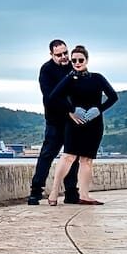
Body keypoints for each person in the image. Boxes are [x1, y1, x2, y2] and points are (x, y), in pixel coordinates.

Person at [46, 45, 118, 206]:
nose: (77, 63)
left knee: (87, 160)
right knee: (68, 156)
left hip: (94, 124)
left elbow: (113, 97)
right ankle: (54, 190)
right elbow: (53, 97)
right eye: (74, 60)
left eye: (80, 60)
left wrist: (99, 109)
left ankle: (84, 195)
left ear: (87, 60)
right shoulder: (69, 79)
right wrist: (71, 110)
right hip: (75, 123)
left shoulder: (97, 78)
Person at [27, 39, 79, 205]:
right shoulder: (46, 70)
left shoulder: (74, 66)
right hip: (55, 120)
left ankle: (71, 192)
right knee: (47, 155)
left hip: (74, 121)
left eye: (65, 53)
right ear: (52, 54)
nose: (64, 57)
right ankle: (36, 192)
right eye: (59, 55)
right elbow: (50, 97)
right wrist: (70, 109)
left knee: (72, 157)